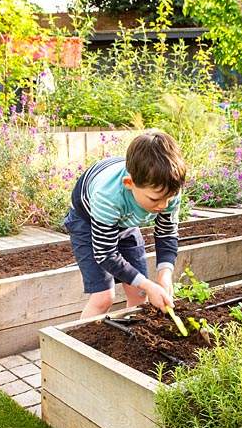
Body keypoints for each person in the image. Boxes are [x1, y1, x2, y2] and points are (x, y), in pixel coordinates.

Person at [63, 130, 185, 319]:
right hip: (86, 221)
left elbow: (167, 234)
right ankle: (81, 346)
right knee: (103, 297)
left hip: (124, 221)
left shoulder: (168, 188)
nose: (163, 205)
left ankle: (133, 338)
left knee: (140, 294)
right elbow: (105, 254)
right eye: (155, 199)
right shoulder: (108, 196)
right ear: (129, 183)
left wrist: (164, 275)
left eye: (168, 198)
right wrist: (148, 284)